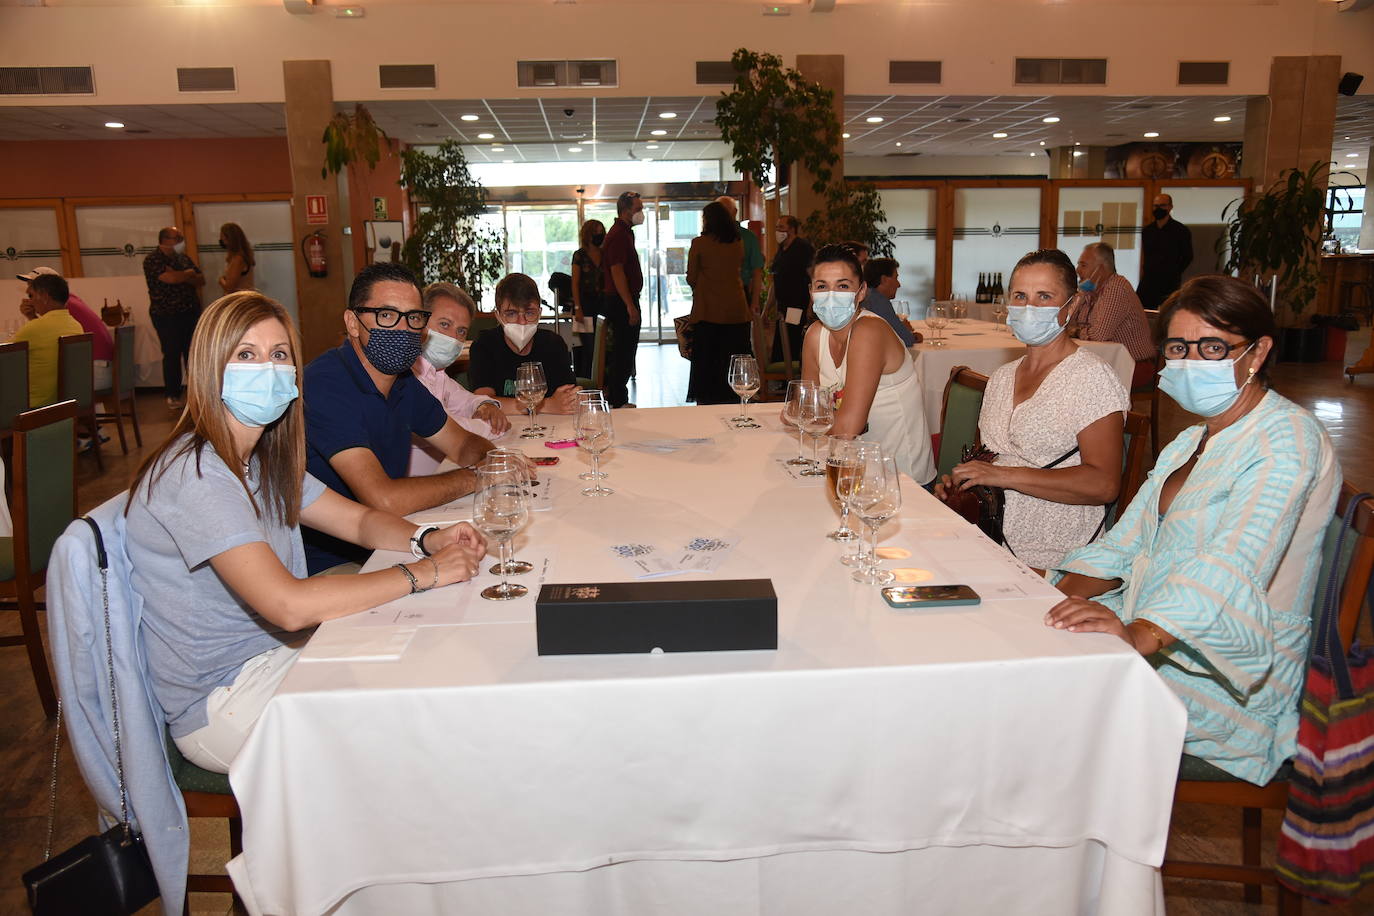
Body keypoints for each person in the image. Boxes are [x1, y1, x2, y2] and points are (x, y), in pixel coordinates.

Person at [126, 290, 488, 773]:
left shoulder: (262, 460)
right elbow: (288, 605)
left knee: (436, 669)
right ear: (209, 367)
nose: (268, 368)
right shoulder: (197, 473)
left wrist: (428, 538)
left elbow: (357, 520)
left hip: (279, 656)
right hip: (226, 699)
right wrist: (425, 572)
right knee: (421, 734)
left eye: (279, 355)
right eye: (246, 355)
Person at [1047, 275, 1339, 786]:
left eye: (1212, 347)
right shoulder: (1191, 440)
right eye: (1179, 347)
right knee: (1024, 664)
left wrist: (1139, 634)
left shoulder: (1286, 440)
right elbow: (1126, 543)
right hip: (1158, 634)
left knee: (1041, 714)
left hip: (1223, 676)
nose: (1190, 362)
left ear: (1258, 351)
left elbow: (1232, 562)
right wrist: (1049, 598)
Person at [938, 249, 1127, 571]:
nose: (1029, 308)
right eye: (1020, 296)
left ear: (1073, 305)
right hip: (988, 537)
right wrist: (963, 486)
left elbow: (1104, 484)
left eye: (1044, 297)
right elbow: (990, 459)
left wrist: (1003, 475)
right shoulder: (1001, 378)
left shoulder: (1091, 378)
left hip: (1055, 556)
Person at [301, 262, 495, 574]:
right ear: (353, 322)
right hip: (335, 562)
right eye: (387, 316)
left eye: (413, 318)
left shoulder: (403, 381)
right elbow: (385, 500)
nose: (403, 329)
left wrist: (492, 462)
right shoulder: (325, 385)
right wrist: (477, 476)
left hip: (395, 538)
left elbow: (462, 444)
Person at [801, 244, 935, 485]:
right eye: (822, 286)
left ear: (861, 291)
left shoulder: (869, 331)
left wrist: (812, 414)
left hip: (901, 479)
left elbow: (847, 428)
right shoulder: (815, 334)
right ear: (811, 292)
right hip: (847, 467)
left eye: (843, 286)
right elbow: (805, 407)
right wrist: (809, 413)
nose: (831, 295)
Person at [408, 282, 510, 475]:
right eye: (444, 324)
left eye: (461, 331)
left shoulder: (437, 373)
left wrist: (486, 406)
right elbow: (452, 429)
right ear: (419, 322)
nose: (453, 338)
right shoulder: (405, 376)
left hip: (444, 473)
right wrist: (492, 425)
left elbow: (466, 400)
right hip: (414, 489)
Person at [468, 272, 580, 415]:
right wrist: (544, 405)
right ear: (498, 315)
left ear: (539, 313)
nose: (522, 322)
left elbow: (568, 397)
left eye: (529, 313)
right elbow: (484, 402)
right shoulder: (484, 345)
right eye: (511, 313)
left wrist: (573, 399)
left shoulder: (553, 344)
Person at [686, 201, 753, 405]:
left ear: (707, 220)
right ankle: (734, 398)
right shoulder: (738, 242)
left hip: (708, 312)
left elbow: (691, 277)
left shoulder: (700, 243)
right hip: (736, 311)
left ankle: (708, 400)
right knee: (732, 360)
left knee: (707, 362)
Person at [17, 265, 113, 391]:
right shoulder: (71, 301)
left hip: (95, 372)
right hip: (100, 367)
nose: (28, 290)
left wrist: (31, 317)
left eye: (33, 287)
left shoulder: (65, 307)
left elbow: (46, 339)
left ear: (46, 292)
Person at [1074, 242, 1156, 389]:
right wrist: (1080, 294)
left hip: (1134, 365)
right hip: (1104, 361)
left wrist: (1075, 332)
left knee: (1076, 381)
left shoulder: (1117, 287)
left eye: (1083, 265)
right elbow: (1064, 324)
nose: (1077, 270)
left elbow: (1098, 335)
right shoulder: (1090, 290)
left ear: (1101, 268)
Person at [143, 226, 206, 408]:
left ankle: (196, 394)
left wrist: (182, 275)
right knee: (171, 353)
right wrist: (187, 274)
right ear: (165, 239)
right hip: (166, 314)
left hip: (189, 311)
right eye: (176, 237)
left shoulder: (183, 258)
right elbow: (170, 279)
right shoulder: (153, 259)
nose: (180, 240)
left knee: (191, 353)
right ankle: (172, 394)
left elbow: (200, 279)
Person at [8, 270, 82, 407]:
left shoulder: (33, 329)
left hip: (34, 404)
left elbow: (7, 362)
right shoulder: (75, 325)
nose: (30, 301)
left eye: (32, 296)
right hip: (63, 401)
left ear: (45, 297)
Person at [600, 190, 644, 408]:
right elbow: (617, 272)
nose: (641, 213)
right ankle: (617, 399)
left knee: (626, 350)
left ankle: (619, 397)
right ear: (626, 211)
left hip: (623, 299)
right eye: (638, 209)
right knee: (623, 351)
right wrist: (629, 305)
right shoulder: (618, 235)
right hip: (620, 301)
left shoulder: (625, 232)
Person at [768, 214, 814, 360]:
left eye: (781, 227)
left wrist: (811, 305)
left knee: (791, 341)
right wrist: (767, 309)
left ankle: (790, 376)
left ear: (792, 229)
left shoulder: (802, 248)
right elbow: (776, 281)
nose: (778, 230)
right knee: (781, 343)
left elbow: (813, 277)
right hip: (783, 307)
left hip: (796, 306)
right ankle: (781, 378)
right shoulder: (781, 250)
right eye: (777, 227)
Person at [1136, 193, 1193, 309]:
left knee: (1168, 312)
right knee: (1141, 310)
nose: (1158, 209)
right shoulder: (1148, 231)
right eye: (1155, 206)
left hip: (1169, 281)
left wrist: (1175, 271)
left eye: (1162, 206)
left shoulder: (1180, 230)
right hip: (1149, 280)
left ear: (1170, 207)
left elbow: (1188, 256)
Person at [570, 219, 605, 379]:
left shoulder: (605, 254)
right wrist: (578, 308)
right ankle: (585, 382)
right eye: (597, 232)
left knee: (603, 347)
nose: (600, 235)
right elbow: (575, 283)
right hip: (583, 305)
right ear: (588, 234)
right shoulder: (579, 255)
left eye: (602, 232)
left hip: (603, 305)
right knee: (588, 348)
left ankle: (602, 382)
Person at [716, 196, 764, 312]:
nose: (724, 214)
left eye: (726, 210)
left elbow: (757, 272)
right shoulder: (710, 238)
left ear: (735, 212)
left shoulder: (748, 237)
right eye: (720, 211)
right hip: (716, 293)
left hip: (741, 292)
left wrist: (755, 301)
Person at [860, 257, 917, 347]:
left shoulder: (865, 296)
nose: (898, 284)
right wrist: (911, 334)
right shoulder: (879, 301)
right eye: (895, 278)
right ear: (884, 280)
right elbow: (906, 340)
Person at [217, 221, 256, 295]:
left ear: (229, 239)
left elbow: (229, 287)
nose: (221, 241)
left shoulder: (238, 259)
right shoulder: (241, 256)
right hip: (243, 298)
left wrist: (221, 280)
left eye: (222, 238)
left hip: (240, 300)